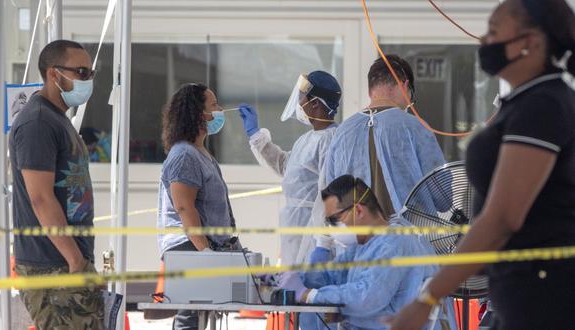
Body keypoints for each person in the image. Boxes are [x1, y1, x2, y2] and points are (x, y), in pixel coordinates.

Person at [388, 1, 575, 329]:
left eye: (493, 32)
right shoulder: (524, 103)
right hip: (519, 291)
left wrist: (427, 299)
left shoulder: (541, 107)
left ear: (529, 42)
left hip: (546, 295)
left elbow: (503, 217)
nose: (484, 41)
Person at [9, 40, 103, 329]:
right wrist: (74, 260)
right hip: (52, 263)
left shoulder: (56, 119)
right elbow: (40, 198)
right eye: (82, 72)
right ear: (54, 74)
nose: (88, 79)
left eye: (91, 73)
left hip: (66, 260)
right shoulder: (37, 122)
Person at [279, 175, 455, 330]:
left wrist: (309, 294)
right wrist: (287, 278)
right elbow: (331, 275)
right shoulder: (365, 247)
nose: (331, 227)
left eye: (334, 220)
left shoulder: (395, 242)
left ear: (358, 210)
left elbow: (366, 298)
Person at [238, 71, 342, 265]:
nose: (299, 102)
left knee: (308, 289)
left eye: (302, 97)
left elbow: (327, 195)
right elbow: (287, 166)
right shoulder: (307, 139)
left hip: (312, 233)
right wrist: (256, 136)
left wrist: (323, 241)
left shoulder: (330, 141)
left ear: (316, 103)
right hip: (295, 228)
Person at [158, 83, 239, 330]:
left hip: (206, 248)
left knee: (203, 314)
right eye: (213, 104)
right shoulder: (184, 155)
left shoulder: (201, 152)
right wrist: (205, 252)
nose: (220, 109)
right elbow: (185, 208)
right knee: (190, 317)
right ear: (198, 113)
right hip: (190, 249)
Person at [325, 55, 445, 220]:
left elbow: (331, 194)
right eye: (411, 97)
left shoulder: (342, 132)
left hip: (358, 242)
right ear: (405, 85)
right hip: (410, 242)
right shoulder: (415, 126)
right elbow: (443, 197)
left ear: (369, 91)